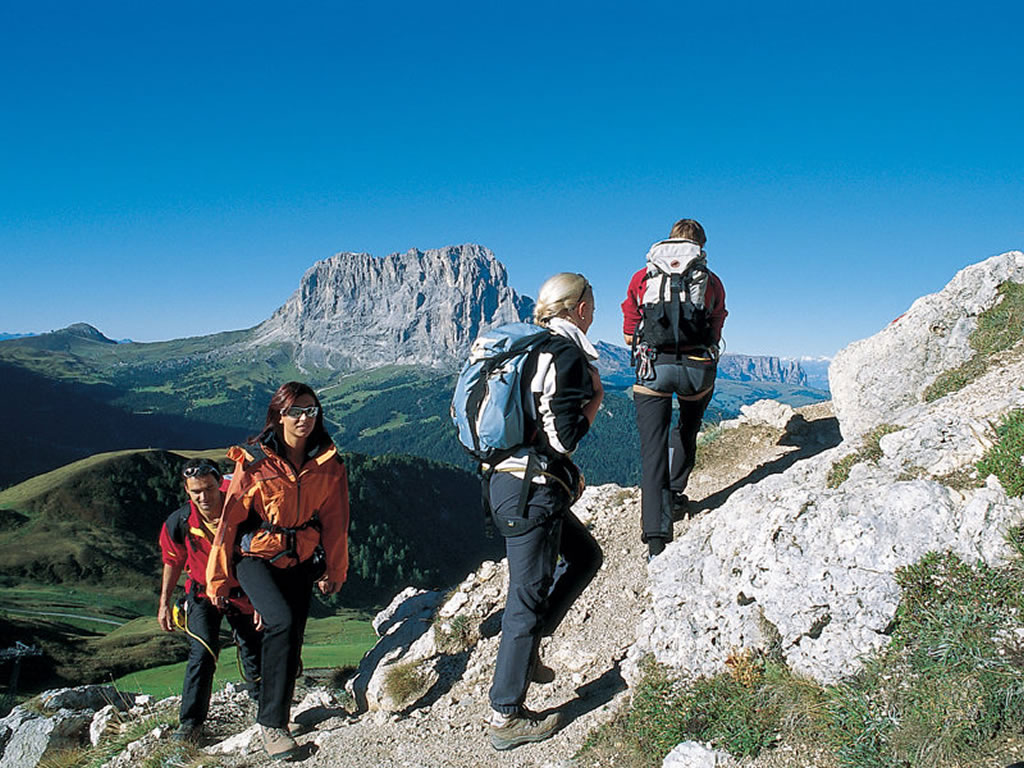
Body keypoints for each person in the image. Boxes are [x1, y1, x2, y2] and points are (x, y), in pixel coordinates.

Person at [483, 272, 604, 751]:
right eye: (592, 304)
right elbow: (563, 438)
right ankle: (506, 714)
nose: (595, 313)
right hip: (531, 493)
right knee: (524, 601)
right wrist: (594, 399)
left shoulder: (525, 346)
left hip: (504, 483)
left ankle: (530, 649)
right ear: (577, 308)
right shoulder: (566, 353)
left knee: (586, 557)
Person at [206, 382, 350, 760]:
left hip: (300, 559)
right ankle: (272, 725)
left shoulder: (329, 463)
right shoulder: (254, 462)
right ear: (279, 415)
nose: (304, 418)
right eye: (296, 411)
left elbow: (336, 521)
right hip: (255, 558)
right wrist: (218, 577)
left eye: (311, 410)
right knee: (281, 622)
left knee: (293, 637)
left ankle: (280, 712)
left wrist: (335, 568)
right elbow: (229, 522)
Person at [621, 218, 728, 559]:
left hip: (654, 371)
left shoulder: (643, 278)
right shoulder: (711, 281)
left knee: (653, 449)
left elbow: (628, 334)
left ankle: (656, 538)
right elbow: (715, 328)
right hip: (697, 372)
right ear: (700, 248)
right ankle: (675, 493)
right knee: (688, 428)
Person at [158, 458, 262, 743]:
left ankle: (264, 709)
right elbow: (173, 560)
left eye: (209, 489)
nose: (204, 497)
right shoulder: (180, 522)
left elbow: (263, 559)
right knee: (202, 652)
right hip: (202, 592)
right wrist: (164, 602)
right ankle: (190, 724)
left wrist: (265, 600)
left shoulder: (244, 515)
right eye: (196, 492)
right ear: (186, 490)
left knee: (253, 650)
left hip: (243, 594)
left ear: (219, 485)